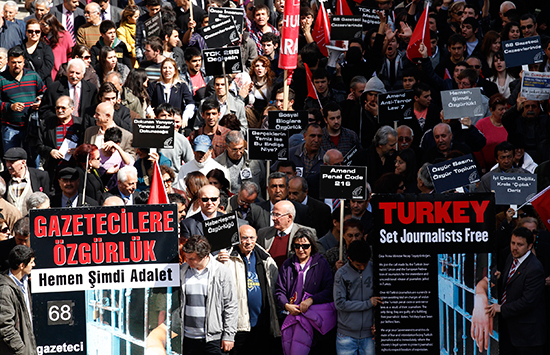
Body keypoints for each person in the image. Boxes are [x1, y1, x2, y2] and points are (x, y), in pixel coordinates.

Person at [220, 225, 280, 355]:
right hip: (239, 326)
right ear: (237, 239)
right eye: (244, 238)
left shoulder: (265, 258)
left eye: (252, 238)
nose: (248, 242)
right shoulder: (227, 258)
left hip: (263, 324)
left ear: (257, 238)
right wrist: (218, 261)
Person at [274, 227, 336, 355]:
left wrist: (311, 300)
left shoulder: (321, 264)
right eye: (297, 246)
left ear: (312, 246)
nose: (301, 249)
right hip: (291, 316)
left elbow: (329, 290)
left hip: (313, 320)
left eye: (305, 246)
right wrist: (286, 305)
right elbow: (279, 291)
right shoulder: (287, 264)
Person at [485, 227, 546, 355]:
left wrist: (501, 308)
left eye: (520, 244)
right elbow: (511, 285)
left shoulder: (534, 268)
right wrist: (499, 278)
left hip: (527, 336)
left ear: (530, 246)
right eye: (513, 243)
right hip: (510, 330)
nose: (515, 248)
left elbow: (528, 302)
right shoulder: (511, 258)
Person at [178, 235, 238, 354]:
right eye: (187, 258)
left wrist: (229, 335)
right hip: (188, 338)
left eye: (192, 259)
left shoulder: (222, 272)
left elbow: (231, 305)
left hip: (214, 339)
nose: (187, 261)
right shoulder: (182, 271)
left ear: (204, 256)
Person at [334, 240, 381, 355]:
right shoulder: (341, 274)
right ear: (349, 259)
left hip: (370, 334)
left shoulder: (375, 269)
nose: (362, 267)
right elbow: (340, 304)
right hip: (346, 335)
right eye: (358, 265)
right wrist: (368, 303)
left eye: (365, 264)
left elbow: (380, 301)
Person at [0, 46, 46, 153]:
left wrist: (40, 101)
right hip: (10, 127)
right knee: (11, 160)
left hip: (31, 126)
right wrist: (10, 106)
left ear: (24, 62)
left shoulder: (33, 76)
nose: (17, 65)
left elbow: (45, 93)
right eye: (13, 62)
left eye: (19, 62)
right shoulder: (1, 79)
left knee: (32, 161)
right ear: (8, 62)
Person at [35, 95, 84, 182]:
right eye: (57, 108)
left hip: (74, 170)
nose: (60, 111)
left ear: (72, 109)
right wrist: (50, 151)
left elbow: (87, 145)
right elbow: (38, 145)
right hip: (53, 171)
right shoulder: (47, 124)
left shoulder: (80, 124)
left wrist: (77, 151)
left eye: (63, 108)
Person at [0, 245, 37, 355]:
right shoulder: (5, 290)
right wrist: (22, 350)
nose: (33, 265)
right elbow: (5, 327)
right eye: (31, 262)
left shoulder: (25, 283)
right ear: (22, 265)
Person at [256, 200, 316, 267]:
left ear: (289, 217)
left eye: (277, 215)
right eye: (273, 214)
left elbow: (316, 257)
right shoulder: (263, 233)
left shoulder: (306, 233)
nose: (273, 218)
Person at [1, 147, 52, 216]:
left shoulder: (40, 176)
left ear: (23, 162)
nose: (8, 165)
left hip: (32, 223)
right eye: (7, 161)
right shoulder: (3, 178)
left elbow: (46, 200)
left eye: (12, 162)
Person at [215, 130, 265, 197]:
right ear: (227, 147)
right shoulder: (218, 164)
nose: (238, 153)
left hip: (254, 203)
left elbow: (263, 183)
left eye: (241, 148)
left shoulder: (255, 161)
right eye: (234, 149)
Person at [475, 93, 509, 173]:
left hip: (507, 168)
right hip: (486, 169)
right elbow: (476, 148)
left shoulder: (510, 123)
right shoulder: (481, 124)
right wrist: (481, 166)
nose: (504, 112)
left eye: (505, 109)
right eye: (500, 109)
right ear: (491, 110)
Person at [20, 19, 55, 87]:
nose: (34, 34)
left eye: (37, 31)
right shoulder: (19, 49)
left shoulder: (46, 49)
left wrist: (33, 80)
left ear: (41, 32)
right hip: (24, 86)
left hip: (43, 85)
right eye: (30, 31)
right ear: (26, 33)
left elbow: (47, 67)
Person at [39, 13, 73, 80]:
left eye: (44, 25)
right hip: (44, 73)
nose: (41, 27)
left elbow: (70, 54)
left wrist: (67, 69)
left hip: (60, 72)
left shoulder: (64, 36)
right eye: (41, 24)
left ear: (51, 25)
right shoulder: (41, 36)